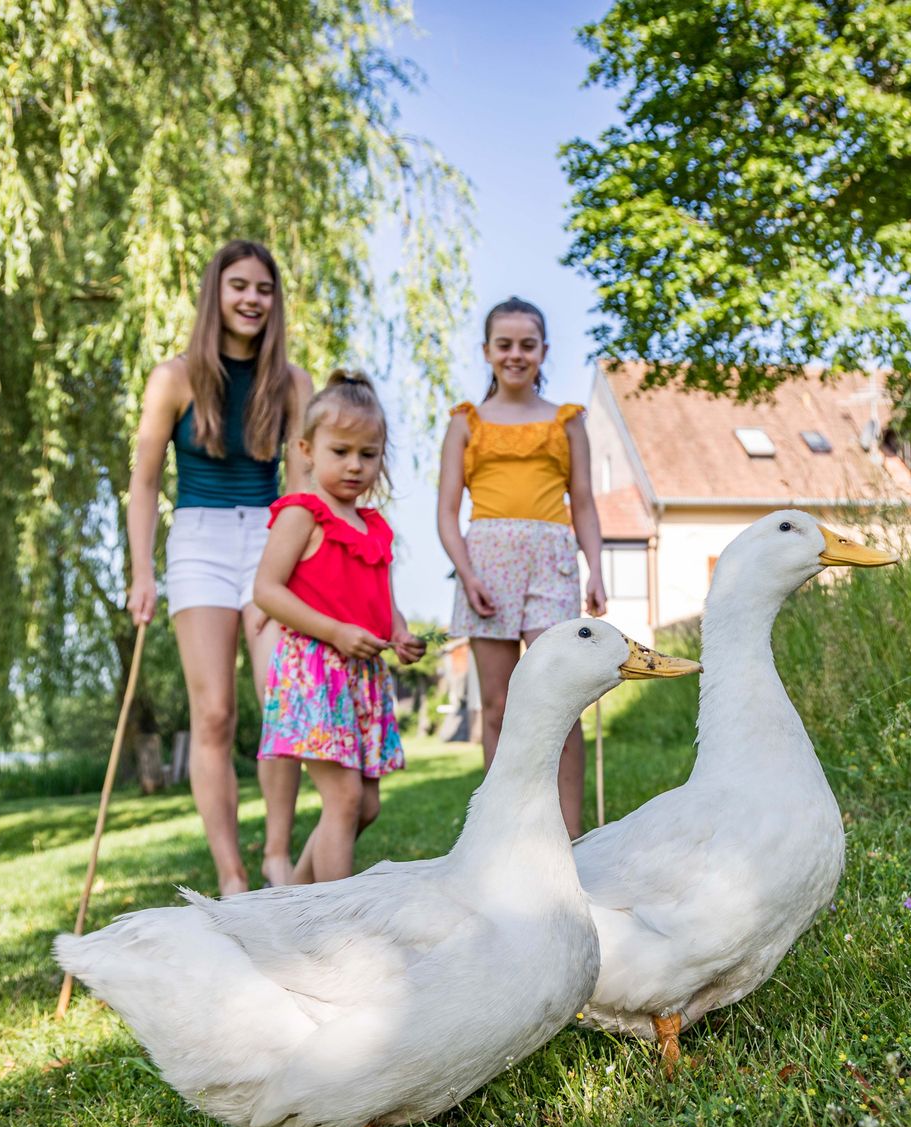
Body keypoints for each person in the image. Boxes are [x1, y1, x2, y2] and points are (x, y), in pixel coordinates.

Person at [126, 240, 310, 897]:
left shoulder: (291, 383)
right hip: (198, 540)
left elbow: (303, 488)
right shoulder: (173, 378)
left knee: (283, 709)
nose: (251, 299)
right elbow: (145, 482)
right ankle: (231, 875)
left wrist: (295, 571)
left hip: (270, 538)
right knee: (213, 716)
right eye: (239, 286)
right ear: (216, 293)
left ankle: (277, 860)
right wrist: (142, 572)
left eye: (263, 288)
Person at [437, 297, 606, 838]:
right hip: (486, 562)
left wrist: (596, 569)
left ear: (543, 351)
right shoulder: (466, 422)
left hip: (552, 558)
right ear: (487, 351)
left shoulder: (566, 421)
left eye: (526, 345)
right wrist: (467, 574)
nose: (515, 355)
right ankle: (503, 835)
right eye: (504, 344)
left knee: (562, 696)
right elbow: (445, 513)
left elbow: (583, 501)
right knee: (497, 702)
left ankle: (569, 834)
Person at [253, 371, 424, 884]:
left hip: (362, 678)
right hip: (315, 673)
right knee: (344, 798)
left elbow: (381, 603)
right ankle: (333, 928)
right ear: (307, 449)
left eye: (367, 454)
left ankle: (295, 902)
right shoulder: (302, 514)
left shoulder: (375, 528)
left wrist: (400, 634)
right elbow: (266, 590)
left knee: (364, 805)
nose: (354, 465)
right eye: (340, 451)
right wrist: (333, 632)